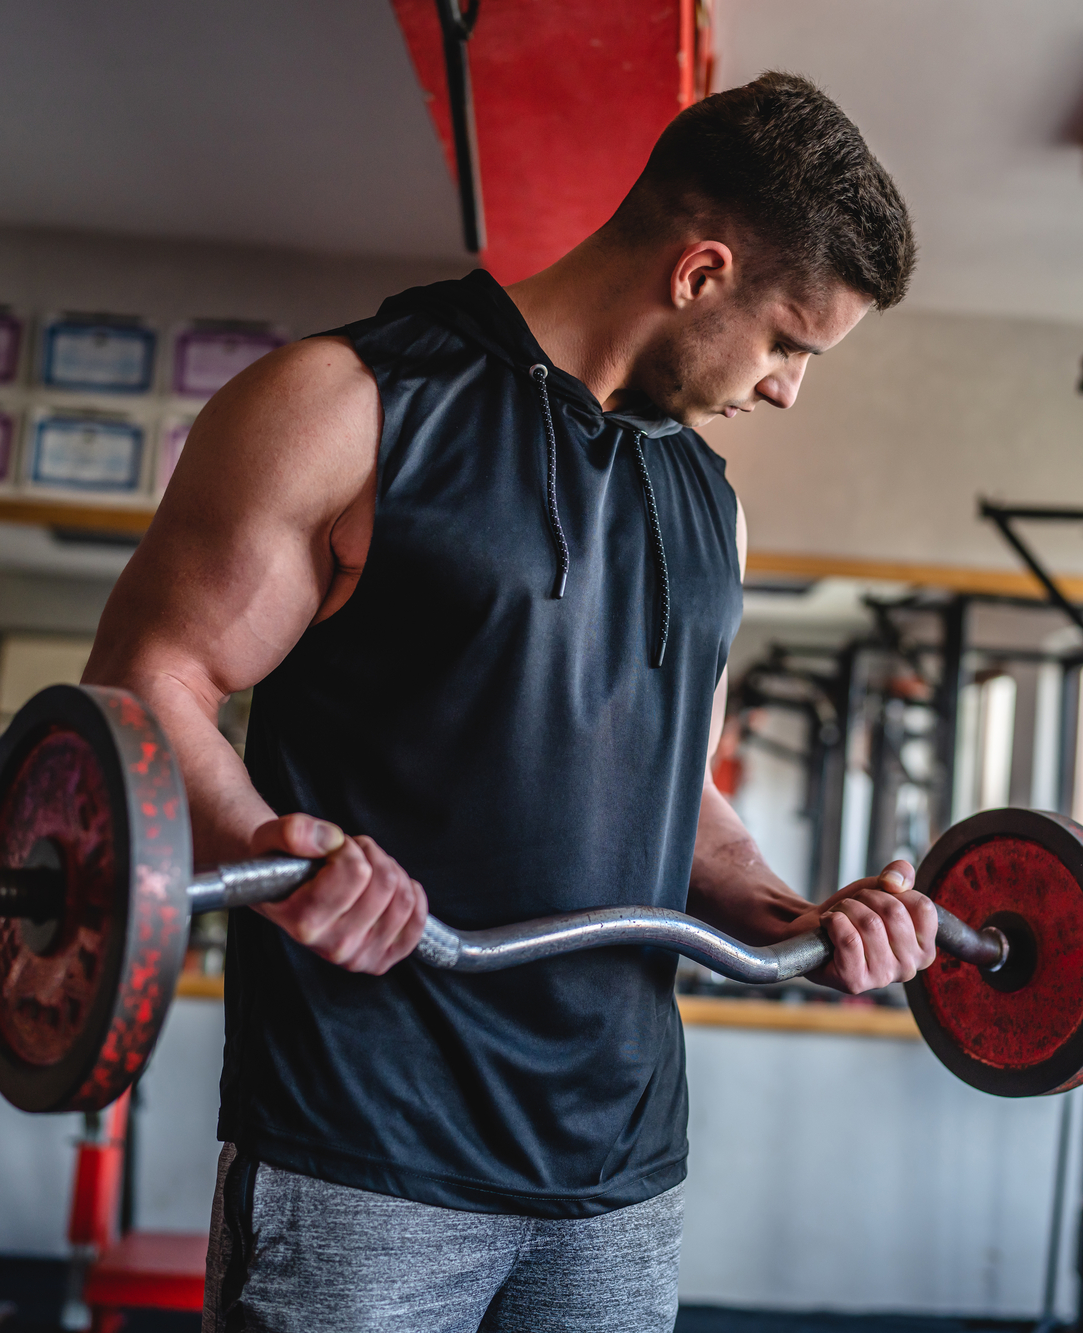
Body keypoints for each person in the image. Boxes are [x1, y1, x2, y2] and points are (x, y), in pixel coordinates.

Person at [85, 70, 924, 1333]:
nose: (787, 387)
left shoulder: (711, 508)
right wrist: (271, 848)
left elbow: (671, 789)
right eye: (789, 342)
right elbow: (150, 686)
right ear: (699, 274)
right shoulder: (348, 404)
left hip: (618, 1173)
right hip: (365, 1149)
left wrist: (795, 913)